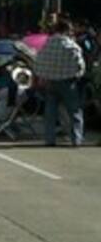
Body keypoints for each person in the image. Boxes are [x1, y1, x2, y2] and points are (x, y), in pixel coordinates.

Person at [34, 19, 85, 147]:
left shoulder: (46, 45)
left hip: (50, 82)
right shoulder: (72, 46)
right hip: (68, 82)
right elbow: (80, 66)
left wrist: (42, 76)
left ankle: (50, 140)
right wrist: (78, 75)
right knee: (74, 111)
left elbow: (38, 63)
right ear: (67, 30)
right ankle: (76, 139)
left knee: (50, 112)